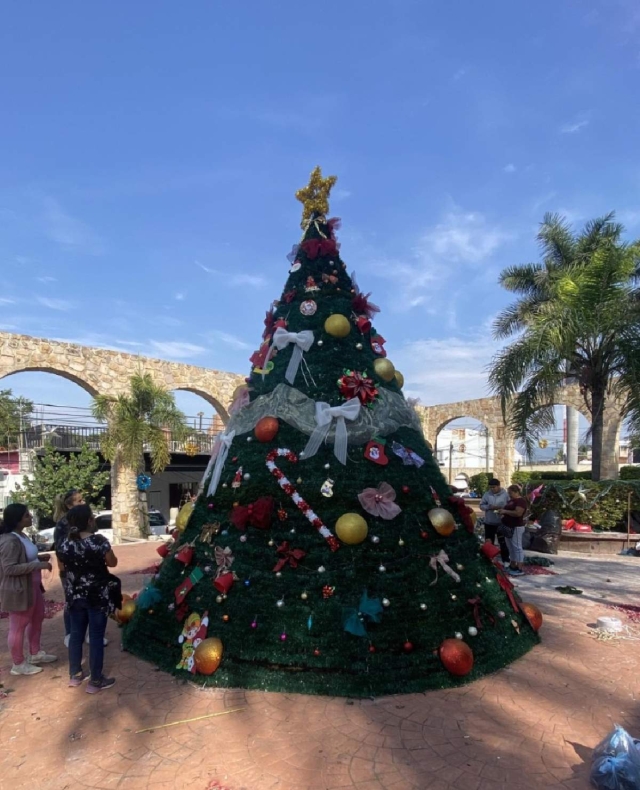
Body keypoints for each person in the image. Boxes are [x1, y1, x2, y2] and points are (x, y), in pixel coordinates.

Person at [56, 505, 120, 693]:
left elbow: (61, 568)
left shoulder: (63, 543)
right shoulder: (98, 542)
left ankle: (75, 675)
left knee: (76, 634)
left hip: (75, 595)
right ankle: (96, 680)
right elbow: (112, 562)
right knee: (96, 636)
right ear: (90, 521)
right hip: (97, 595)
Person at [0, 503, 58, 676]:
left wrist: (40, 557)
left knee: (37, 618)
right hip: (18, 589)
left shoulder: (21, 535)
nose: (30, 517)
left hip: (32, 586)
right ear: (17, 520)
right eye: (26, 516)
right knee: (18, 626)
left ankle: (35, 653)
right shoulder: (10, 540)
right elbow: (9, 568)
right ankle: (18, 663)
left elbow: (25, 557)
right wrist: (38, 565)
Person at [53, 489, 85, 648]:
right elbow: (59, 550)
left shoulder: (85, 519)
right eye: (79, 501)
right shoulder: (63, 523)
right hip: (70, 569)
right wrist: (64, 570)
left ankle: (87, 634)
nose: (83, 503)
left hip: (86, 568)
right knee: (72, 600)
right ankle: (70, 633)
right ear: (69, 505)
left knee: (88, 599)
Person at [498, 484, 528, 576]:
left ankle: (520, 567)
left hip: (516, 527)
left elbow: (518, 513)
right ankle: (512, 564)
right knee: (510, 547)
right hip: (508, 526)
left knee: (517, 547)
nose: (509, 495)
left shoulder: (521, 501)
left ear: (516, 492)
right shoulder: (511, 501)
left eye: (510, 493)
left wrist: (505, 512)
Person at [479, 479, 510, 564]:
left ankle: (506, 560)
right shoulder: (487, 494)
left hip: (501, 522)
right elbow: (481, 506)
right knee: (489, 542)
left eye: (494, 487)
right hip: (489, 522)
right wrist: (489, 507)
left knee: (503, 542)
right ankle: (489, 560)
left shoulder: (505, 495)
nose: (492, 489)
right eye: (490, 487)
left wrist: (502, 509)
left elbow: (510, 506)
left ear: (499, 486)